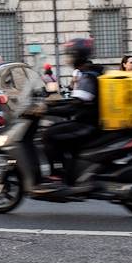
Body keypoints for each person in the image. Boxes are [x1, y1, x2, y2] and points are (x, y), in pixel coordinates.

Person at [39, 39, 102, 192]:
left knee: (48, 135)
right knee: (58, 132)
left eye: (70, 55)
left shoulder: (87, 77)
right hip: (87, 121)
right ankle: (69, 173)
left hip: (86, 124)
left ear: (77, 56)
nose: (67, 59)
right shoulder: (88, 73)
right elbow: (75, 102)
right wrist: (51, 105)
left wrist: (46, 110)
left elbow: (74, 107)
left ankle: (57, 176)